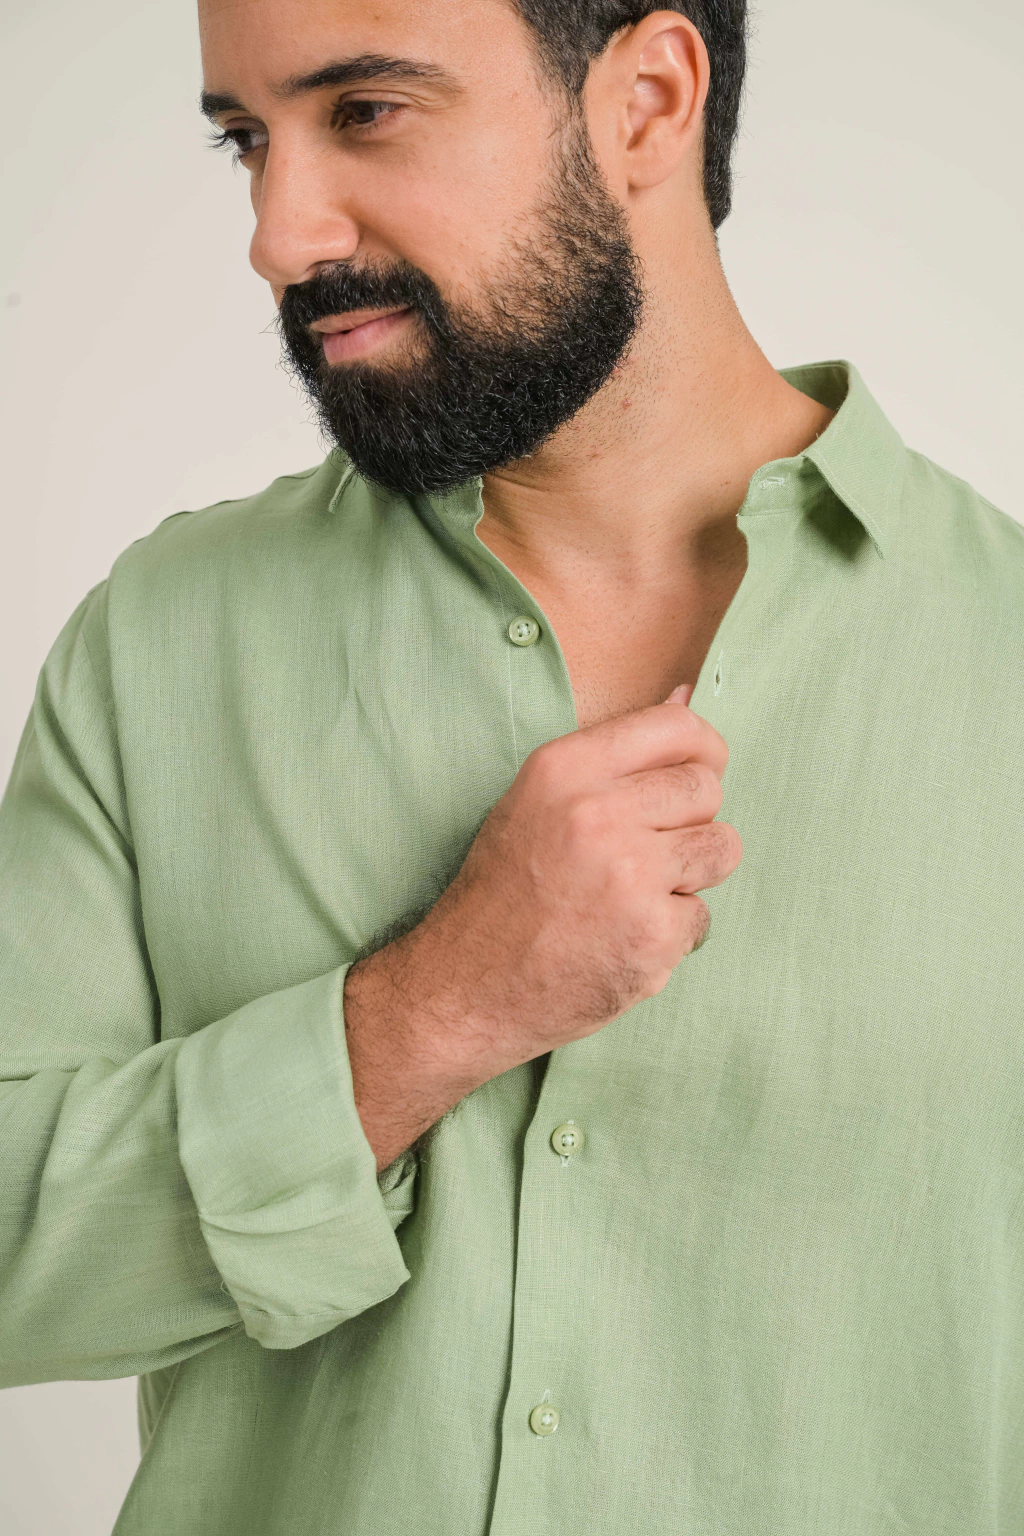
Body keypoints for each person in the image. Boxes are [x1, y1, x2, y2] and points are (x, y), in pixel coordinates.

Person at [1, 0, 1022, 1531]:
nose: (278, 236)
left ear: (646, 101)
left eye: (365, 112)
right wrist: (428, 1016)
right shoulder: (157, 643)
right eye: (246, 142)